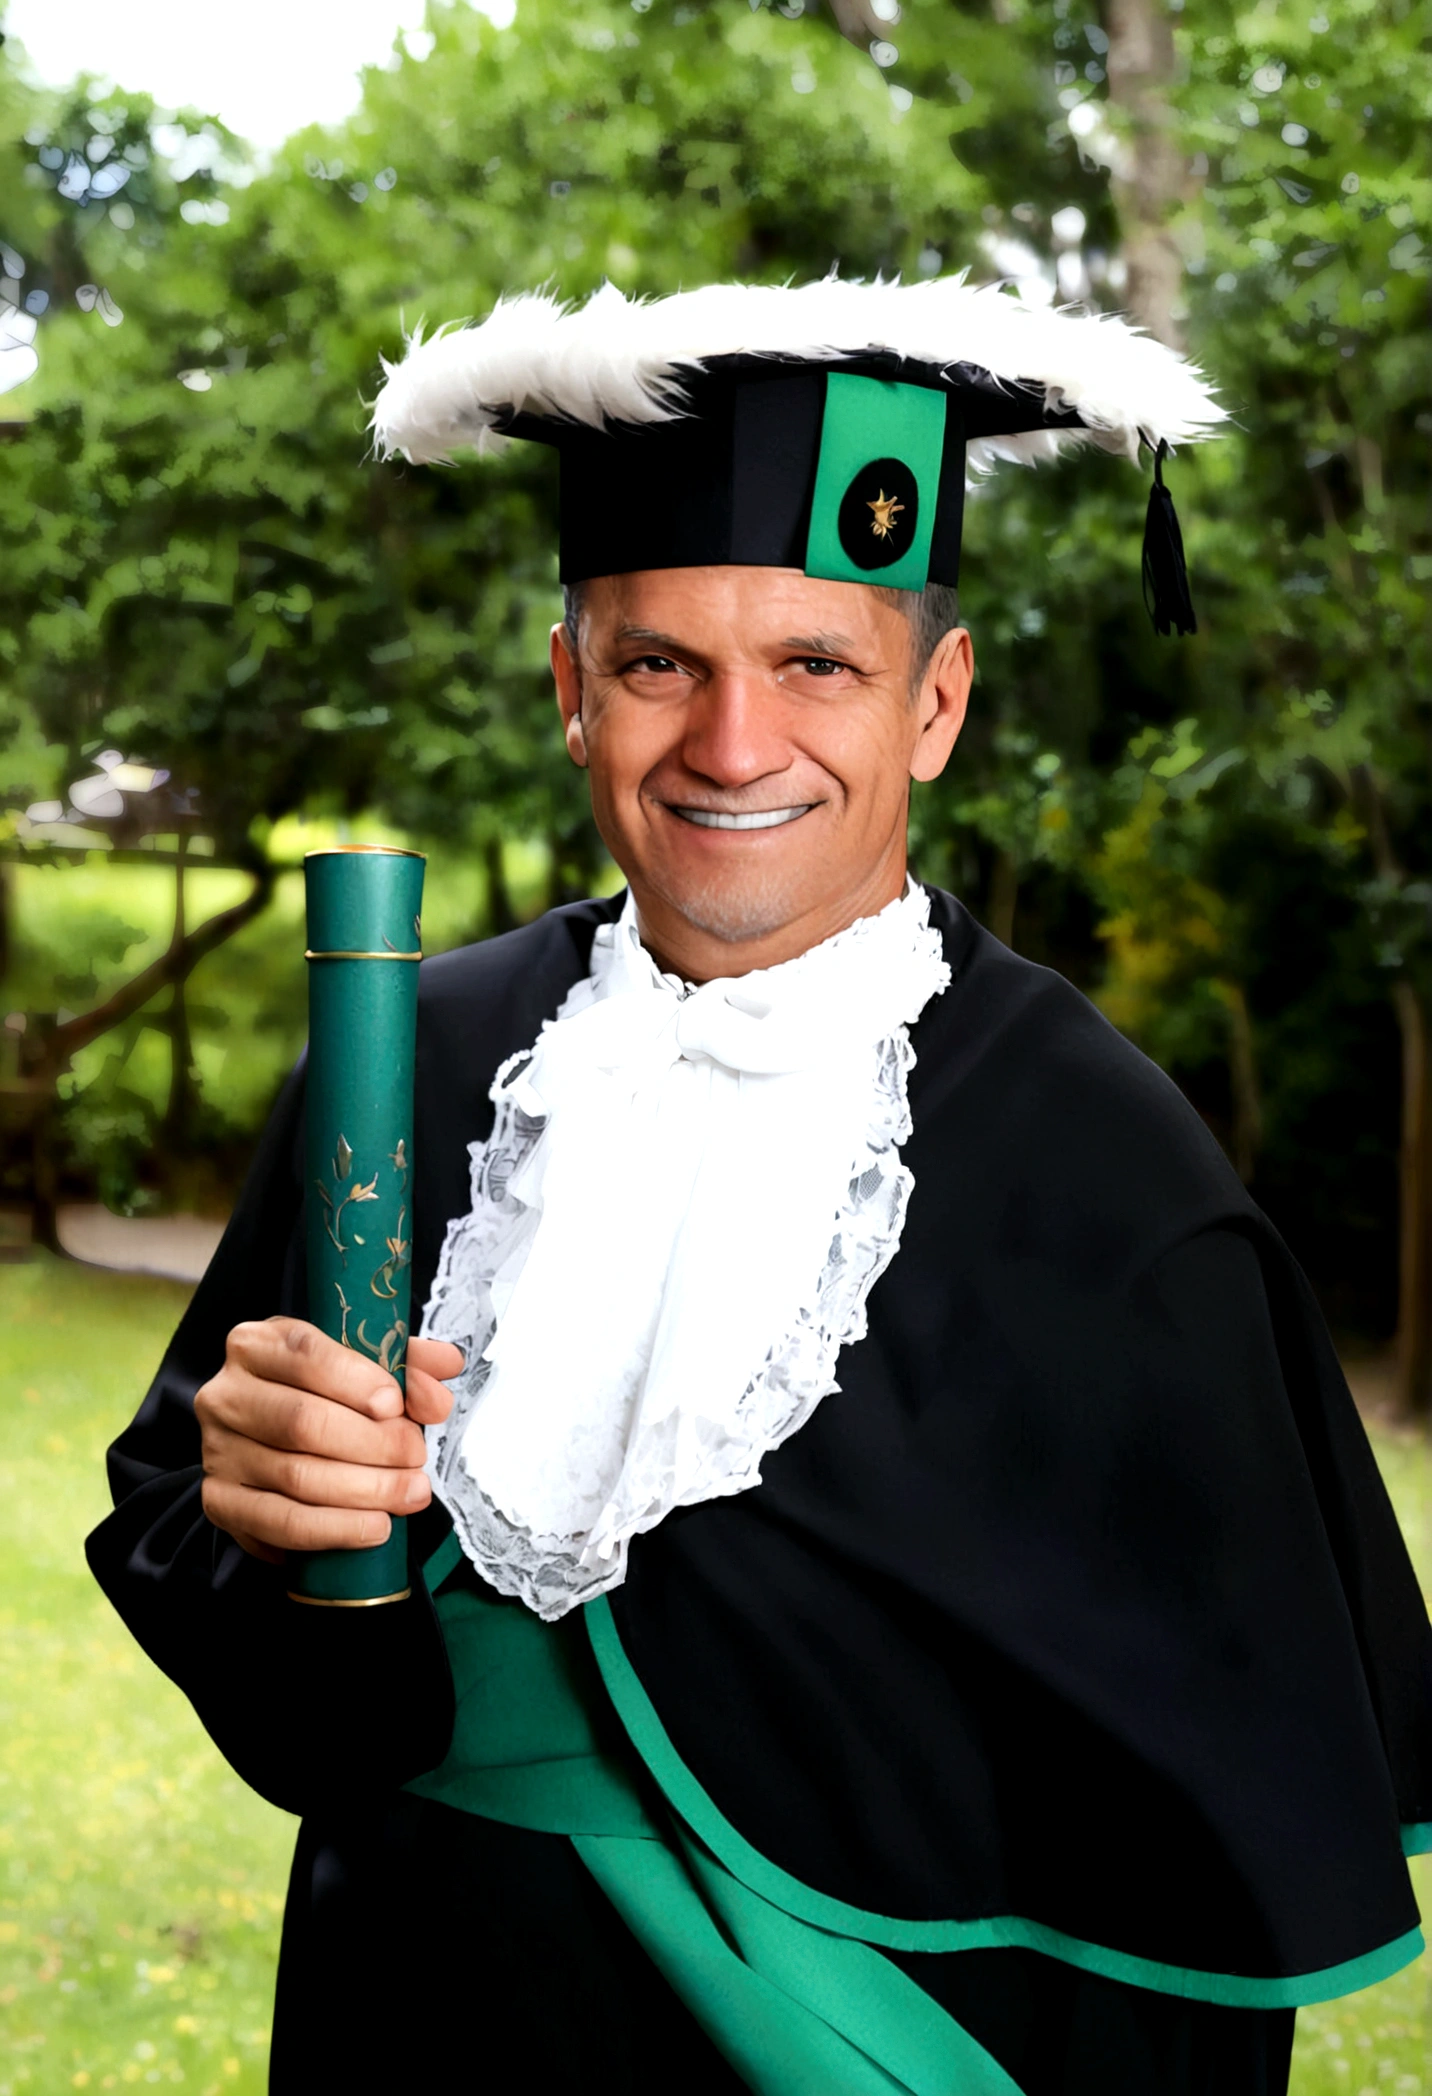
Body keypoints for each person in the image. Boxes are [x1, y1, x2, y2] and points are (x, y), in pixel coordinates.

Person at [89, 276, 1432, 2096]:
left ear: (936, 704)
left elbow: (1183, 1879)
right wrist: (275, 1529)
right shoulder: (402, 1065)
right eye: (661, 665)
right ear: (574, 691)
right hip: (407, 2031)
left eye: (817, 665)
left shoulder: (1115, 1175)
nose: (734, 746)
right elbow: (314, 1709)